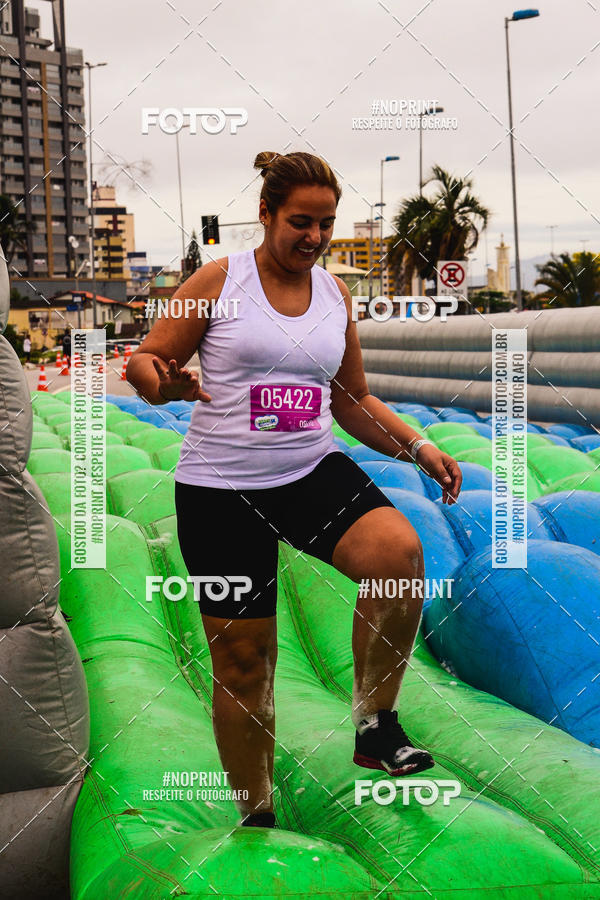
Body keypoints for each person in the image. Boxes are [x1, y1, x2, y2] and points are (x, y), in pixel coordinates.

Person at [126, 150, 462, 830]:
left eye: (326, 224)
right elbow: (144, 359)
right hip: (221, 490)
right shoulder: (220, 280)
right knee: (245, 664)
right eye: (300, 223)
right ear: (266, 215)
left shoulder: (334, 295)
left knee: (398, 556)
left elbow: (352, 400)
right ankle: (257, 815)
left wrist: (420, 447)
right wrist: (166, 383)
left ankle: (376, 726)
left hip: (309, 470)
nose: (313, 238)